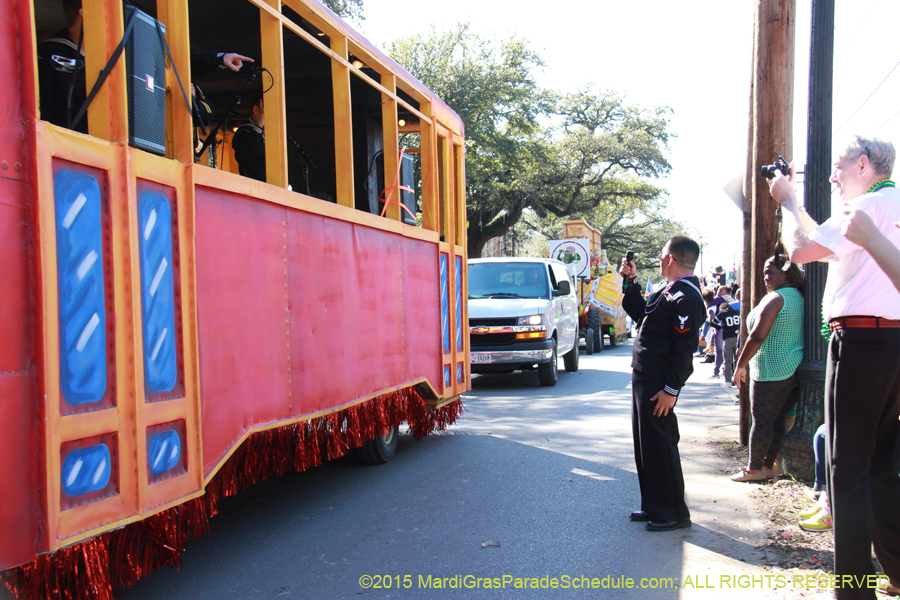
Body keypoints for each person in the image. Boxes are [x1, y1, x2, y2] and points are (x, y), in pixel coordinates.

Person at [769, 135, 900, 599]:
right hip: (892, 341)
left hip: (861, 341)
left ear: (864, 165)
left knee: (847, 470)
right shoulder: (889, 204)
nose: (832, 174)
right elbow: (821, 242)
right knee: (882, 462)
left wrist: (786, 202)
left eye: (840, 165)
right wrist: (798, 204)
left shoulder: (861, 209)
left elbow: (802, 250)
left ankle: (853, 591)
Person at [37, 0, 252, 133]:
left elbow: (166, 65)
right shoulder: (48, 53)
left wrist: (218, 59)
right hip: (63, 146)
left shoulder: (116, 52)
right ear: (86, 10)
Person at [619, 236, 705, 532]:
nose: (658, 258)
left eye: (661, 254)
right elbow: (641, 314)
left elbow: (685, 350)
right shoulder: (668, 291)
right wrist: (630, 282)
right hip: (644, 376)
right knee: (646, 445)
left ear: (671, 259)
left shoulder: (687, 296)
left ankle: (673, 511)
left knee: (661, 444)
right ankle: (654, 504)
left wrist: (671, 390)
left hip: (659, 383)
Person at [730, 255, 804, 482]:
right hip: (792, 368)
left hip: (771, 371)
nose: (766, 277)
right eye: (764, 272)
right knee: (777, 422)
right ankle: (768, 467)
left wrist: (740, 364)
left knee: (761, 421)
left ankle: (753, 469)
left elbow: (758, 335)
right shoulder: (799, 297)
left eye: (770, 272)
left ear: (786, 273)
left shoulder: (776, 299)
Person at [232, 94, 266, 182]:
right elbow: (246, 159)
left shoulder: (269, 133)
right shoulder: (243, 132)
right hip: (253, 187)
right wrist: (259, 126)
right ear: (256, 110)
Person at [711, 299, 739, 386]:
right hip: (738, 337)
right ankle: (737, 379)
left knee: (727, 360)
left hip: (727, 338)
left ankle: (728, 381)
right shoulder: (737, 311)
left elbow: (713, 323)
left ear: (722, 309)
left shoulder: (723, 313)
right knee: (737, 360)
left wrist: (719, 327)